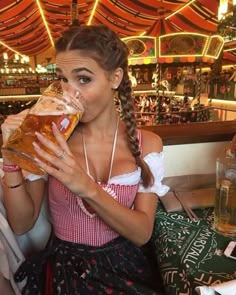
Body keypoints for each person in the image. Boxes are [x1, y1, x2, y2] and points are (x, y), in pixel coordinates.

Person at [1, 24, 169, 294]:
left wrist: (86, 187)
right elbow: (22, 224)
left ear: (115, 78)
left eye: (83, 79)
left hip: (124, 266)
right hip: (65, 269)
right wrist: (10, 155)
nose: (70, 93)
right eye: (63, 80)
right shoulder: (52, 140)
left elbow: (142, 233)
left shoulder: (147, 143)